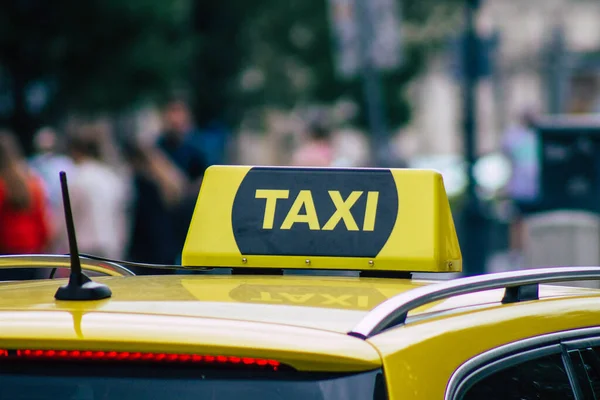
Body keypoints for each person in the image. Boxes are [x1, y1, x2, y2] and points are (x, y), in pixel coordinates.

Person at [66, 130, 130, 259]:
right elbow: (122, 215)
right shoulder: (111, 177)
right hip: (110, 244)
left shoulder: (77, 177)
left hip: (84, 246)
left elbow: (66, 217)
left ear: (76, 151)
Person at [0, 131, 51, 280]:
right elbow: (43, 221)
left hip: (6, 256)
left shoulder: (2, 186)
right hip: (32, 253)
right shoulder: (32, 182)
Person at [501, 109, 541, 266]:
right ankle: (517, 253)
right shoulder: (516, 136)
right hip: (520, 189)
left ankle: (527, 252)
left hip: (532, 189)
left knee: (529, 223)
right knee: (518, 222)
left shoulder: (536, 136)